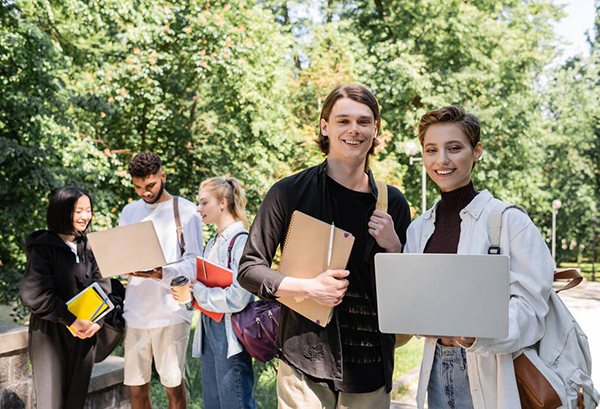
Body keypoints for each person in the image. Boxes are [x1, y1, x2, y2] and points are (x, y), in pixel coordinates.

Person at [238, 84, 412, 408]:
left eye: (363, 121)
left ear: (375, 130)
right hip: (305, 363)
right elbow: (249, 269)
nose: (353, 130)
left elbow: (410, 292)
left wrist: (395, 249)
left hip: (371, 369)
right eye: (343, 120)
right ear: (325, 126)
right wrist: (307, 289)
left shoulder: (394, 204)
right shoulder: (289, 193)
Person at [404, 105, 554, 408]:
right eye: (431, 149)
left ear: (477, 151)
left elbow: (533, 309)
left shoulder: (508, 221)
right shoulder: (418, 228)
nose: (441, 160)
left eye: (454, 148)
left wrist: (478, 334)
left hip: (492, 371)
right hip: (435, 367)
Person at [120, 152, 203, 409]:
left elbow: (195, 262)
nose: (144, 192)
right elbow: (122, 254)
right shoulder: (129, 211)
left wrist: (161, 273)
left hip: (171, 313)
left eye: (150, 185)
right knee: (136, 388)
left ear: (163, 176)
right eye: (137, 187)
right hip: (135, 312)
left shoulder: (187, 211)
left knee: (173, 387)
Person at [20, 187, 110, 409]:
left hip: (86, 333)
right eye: (78, 211)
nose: (84, 216)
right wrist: (70, 320)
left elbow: (104, 286)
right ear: (62, 212)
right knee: (51, 403)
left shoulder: (90, 245)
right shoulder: (43, 248)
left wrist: (96, 322)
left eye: (88, 210)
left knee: (75, 402)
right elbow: (34, 294)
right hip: (50, 336)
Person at [172, 177, 256, 409]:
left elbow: (239, 297)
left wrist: (198, 289)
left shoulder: (241, 242)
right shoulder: (212, 243)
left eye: (203, 203)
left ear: (223, 203)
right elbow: (204, 293)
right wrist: (187, 295)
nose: (198, 209)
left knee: (235, 403)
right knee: (214, 403)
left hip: (230, 336)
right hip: (210, 332)